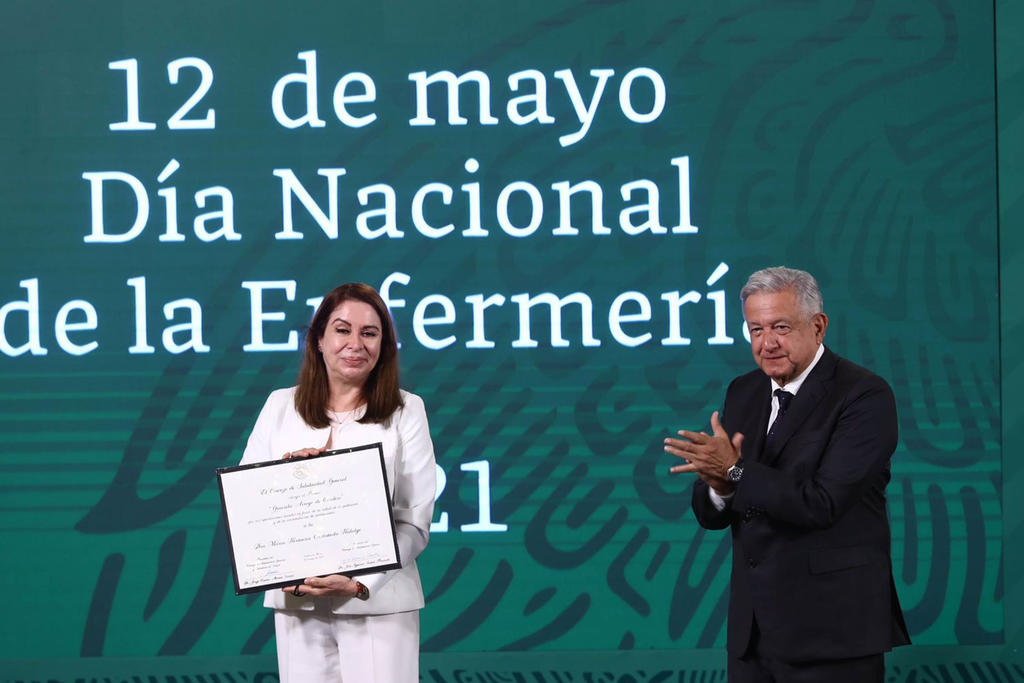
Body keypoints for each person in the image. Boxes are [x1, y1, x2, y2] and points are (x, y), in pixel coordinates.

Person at [664, 267, 909, 682]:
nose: (768, 343)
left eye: (781, 327)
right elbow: (713, 512)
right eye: (755, 330)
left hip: (833, 635)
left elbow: (822, 503)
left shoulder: (864, 395)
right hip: (753, 637)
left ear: (818, 326)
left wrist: (734, 471)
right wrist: (720, 488)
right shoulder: (744, 391)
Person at [239, 282, 436, 682]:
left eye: (370, 333)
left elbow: (414, 523)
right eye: (342, 330)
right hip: (298, 603)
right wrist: (283, 476)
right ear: (318, 339)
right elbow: (248, 509)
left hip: (378, 605)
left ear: (384, 345)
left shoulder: (406, 410)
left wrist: (359, 583)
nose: (355, 344)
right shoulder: (279, 406)